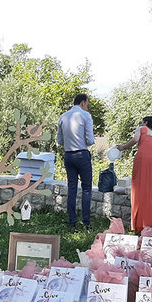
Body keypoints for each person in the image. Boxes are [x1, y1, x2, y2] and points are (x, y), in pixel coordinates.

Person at [117, 116, 152, 232]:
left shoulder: (141, 128)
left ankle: (139, 223)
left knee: (139, 187)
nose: (140, 123)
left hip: (143, 159)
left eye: (142, 121)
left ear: (146, 122)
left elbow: (135, 140)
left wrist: (123, 147)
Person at [57, 93, 95, 229]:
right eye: (87, 104)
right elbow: (90, 140)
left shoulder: (63, 116)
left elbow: (59, 140)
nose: (87, 107)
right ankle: (86, 222)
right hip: (82, 154)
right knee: (86, 189)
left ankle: (72, 221)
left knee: (72, 188)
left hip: (68, 155)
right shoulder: (86, 116)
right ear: (83, 102)